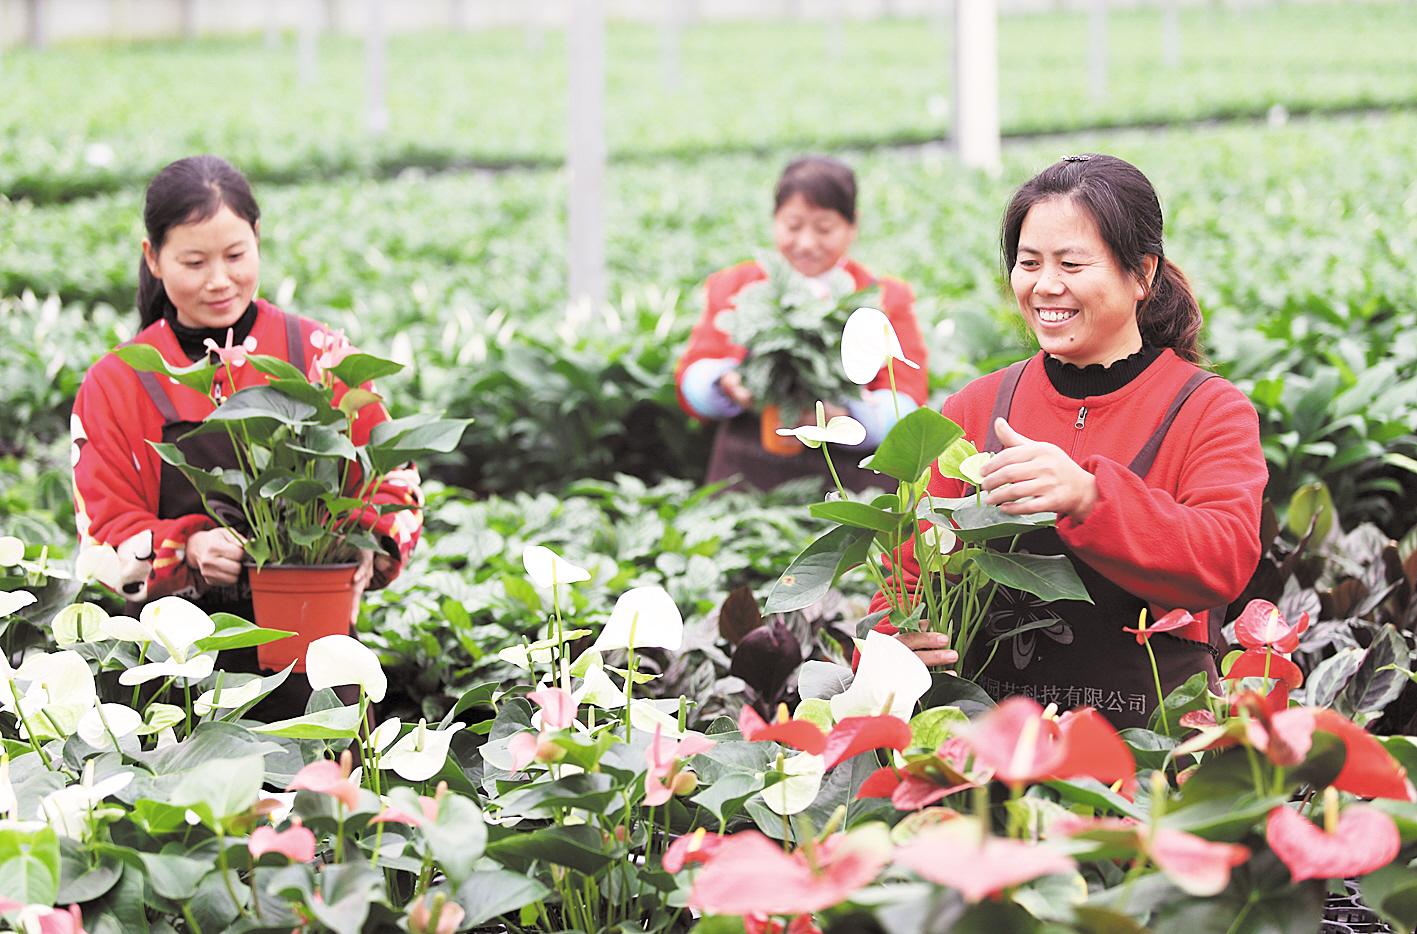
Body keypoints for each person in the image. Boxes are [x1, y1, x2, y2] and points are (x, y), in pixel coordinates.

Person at [872, 154, 1266, 729]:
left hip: (1149, 745)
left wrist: (1088, 498)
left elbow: (1223, 559)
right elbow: (908, 576)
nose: (1045, 285)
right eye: (1029, 262)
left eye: (1072, 264)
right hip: (989, 748)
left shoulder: (1207, 409)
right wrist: (895, 643)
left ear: (1143, 274)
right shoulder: (974, 408)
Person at [71, 156, 421, 704]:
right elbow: (101, 539)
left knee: (319, 787)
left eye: (236, 255)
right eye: (193, 261)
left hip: (316, 661)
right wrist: (187, 549)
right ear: (154, 259)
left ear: (257, 239)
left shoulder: (318, 354)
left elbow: (394, 481)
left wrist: (364, 546)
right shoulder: (117, 382)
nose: (219, 280)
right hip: (172, 670)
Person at [674, 155, 928, 492]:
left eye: (824, 229)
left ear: (853, 226)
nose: (806, 243)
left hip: (847, 481)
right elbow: (692, 376)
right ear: (774, 220)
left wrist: (850, 419)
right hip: (746, 470)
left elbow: (907, 399)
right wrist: (725, 385)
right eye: (793, 226)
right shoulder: (736, 286)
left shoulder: (882, 298)